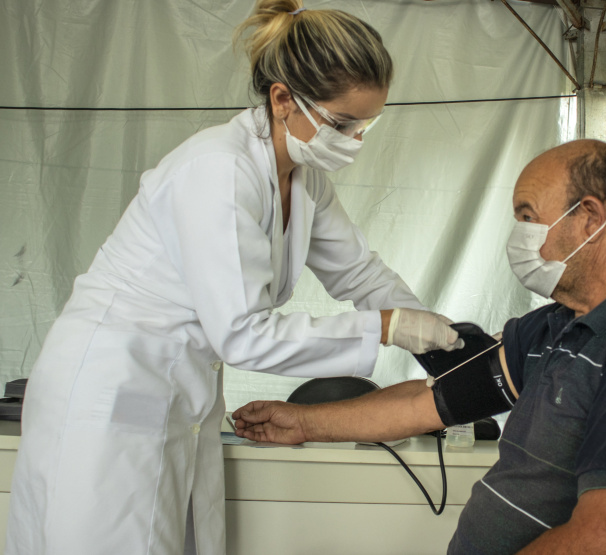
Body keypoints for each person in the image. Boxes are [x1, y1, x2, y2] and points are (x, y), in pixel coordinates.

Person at [6, 2, 463, 554]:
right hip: (110, 393)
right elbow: (242, 334)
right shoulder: (218, 171)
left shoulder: (305, 177)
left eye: (368, 124)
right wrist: (387, 328)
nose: (357, 140)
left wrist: (445, 338)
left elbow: (359, 272)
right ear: (281, 99)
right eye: (343, 124)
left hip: (178, 393)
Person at [232, 139, 606, 555]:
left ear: (590, 218)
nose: (519, 236)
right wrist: (303, 423)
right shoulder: (555, 327)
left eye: (528, 216)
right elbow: (426, 403)